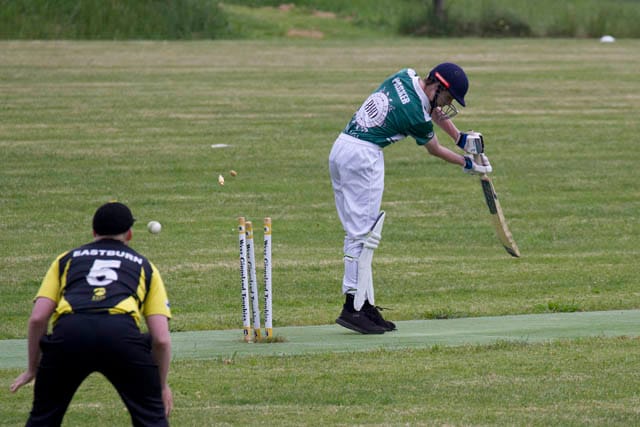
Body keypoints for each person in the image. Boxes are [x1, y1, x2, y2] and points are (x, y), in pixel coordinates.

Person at [329, 63, 492, 334]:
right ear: (437, 86)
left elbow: (432, 109)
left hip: (341, 149)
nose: (448, 104)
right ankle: (352, 308)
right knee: (363, 235)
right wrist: (467, 164)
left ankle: (364, 304)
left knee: (357, 233)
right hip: (363, 158)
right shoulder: (415, 115)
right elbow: (434, 149)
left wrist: (460, 137)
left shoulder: (405, 76)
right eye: (448, 97)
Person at [10, 202, 173, 426]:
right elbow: (161, 339)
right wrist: (160, 386)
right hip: (120, 335)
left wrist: (32, 368)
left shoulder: (66, 259)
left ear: (94, 232)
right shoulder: (145, 266)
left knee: (43, 418)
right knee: (151, 420)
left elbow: (38, 318)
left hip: (70, 333)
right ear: (130, 234)